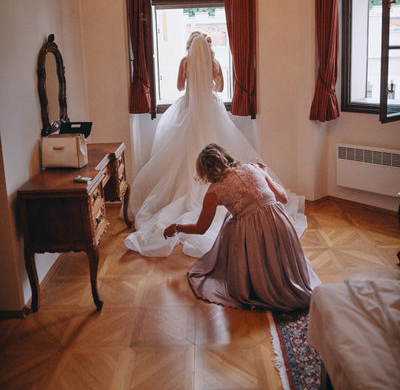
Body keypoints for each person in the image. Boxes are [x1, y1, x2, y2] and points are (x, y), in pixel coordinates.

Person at [124, 32, 307, 258]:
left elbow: (181, 86)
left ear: (190, 46)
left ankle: (186, 192)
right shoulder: (215, 63)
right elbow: (219, 89)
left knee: (183, 155)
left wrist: (193, 82)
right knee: (219, 145)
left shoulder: (185, 62)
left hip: (190, 110)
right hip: (211, 110)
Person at [164, 144, 320, 311]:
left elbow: (201, 228)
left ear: (205, 171)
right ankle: (284, 278)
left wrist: (176, 227)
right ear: (226, 157)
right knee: (230, 219)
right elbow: (283, 198)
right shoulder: (253, 168)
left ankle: (260, 281)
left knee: (232, 224)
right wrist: (265, 173)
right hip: (281, 224)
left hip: (254, 235)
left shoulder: (214, 191)